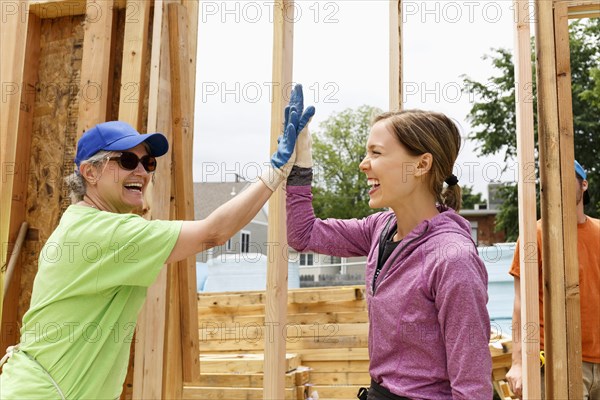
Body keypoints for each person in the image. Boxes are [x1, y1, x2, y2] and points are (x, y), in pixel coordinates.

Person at [0, 85, 315, 399]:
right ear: (90, 173)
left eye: (148, 163)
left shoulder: (82, 223)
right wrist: (276, 172)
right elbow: (213, 233)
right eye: (126, 161)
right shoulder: (106, 232)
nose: (142, 171)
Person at [286, 110, 493, 399]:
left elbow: (472, 387)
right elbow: (302, 234)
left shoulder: (452, 259)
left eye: (376, 153)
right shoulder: (380, 229)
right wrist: (301, 159)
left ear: (421, 164)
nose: (363, 164)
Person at [506, 160, 600, 399]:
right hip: (558, 362)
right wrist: (517, 362)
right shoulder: (534, 236)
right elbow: (520, 304)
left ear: (584, 184)